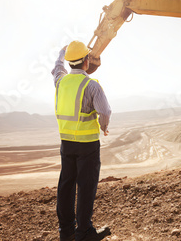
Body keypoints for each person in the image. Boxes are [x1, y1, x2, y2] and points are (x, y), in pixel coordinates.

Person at [51, 40, 112, 241]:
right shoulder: (91, 85)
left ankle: (66, 231)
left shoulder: (61, 81)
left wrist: (62, 52)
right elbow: (105, 111)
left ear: (70, 62)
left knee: (66, 185)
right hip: (87, 146)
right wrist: (104, 127)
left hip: (66, 143)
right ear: (87, 61)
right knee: (85, 187)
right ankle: (84, 232)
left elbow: (56, 68)